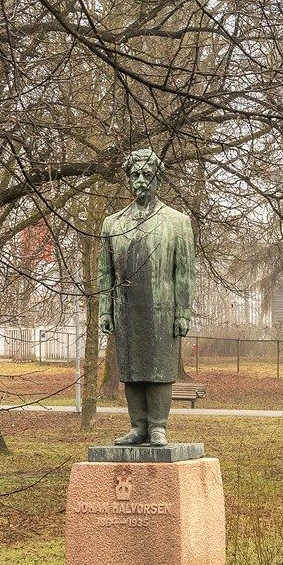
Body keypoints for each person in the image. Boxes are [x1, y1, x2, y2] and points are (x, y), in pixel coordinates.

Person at [98, 148, 195, 446]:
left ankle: (158, 426)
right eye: (135, 175)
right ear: (128, 179)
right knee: (131, 368)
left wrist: (182, 312)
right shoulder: (113, 223)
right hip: (126, 308)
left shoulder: (177, 222)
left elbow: (184, 272)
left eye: (147, 175)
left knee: (159, 367)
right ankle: (138, 426)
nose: (140, 180)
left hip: (163, 308)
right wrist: (105, 310)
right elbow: (105, 272)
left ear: (157, 180)